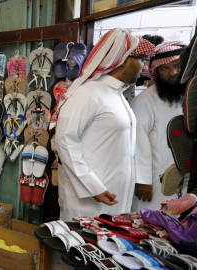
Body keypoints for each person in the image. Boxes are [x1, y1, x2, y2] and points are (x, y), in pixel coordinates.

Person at [53, 28, 155, 221]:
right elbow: (65, 140)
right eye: (142, 60)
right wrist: (93, 186)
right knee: (81, 247)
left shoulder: (116, 94)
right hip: (89, 200)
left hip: (115, 196)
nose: (144, 68)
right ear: (124, 59)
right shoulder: (88, 93)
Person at [132, 39, 187, 211]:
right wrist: (142, 181)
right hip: (154, 182)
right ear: (156, 71)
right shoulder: (146, 99)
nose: (173, 72)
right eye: (165, 68)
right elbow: (137, 143)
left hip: (185, 179)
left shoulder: (189, 94)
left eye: (178, 64)